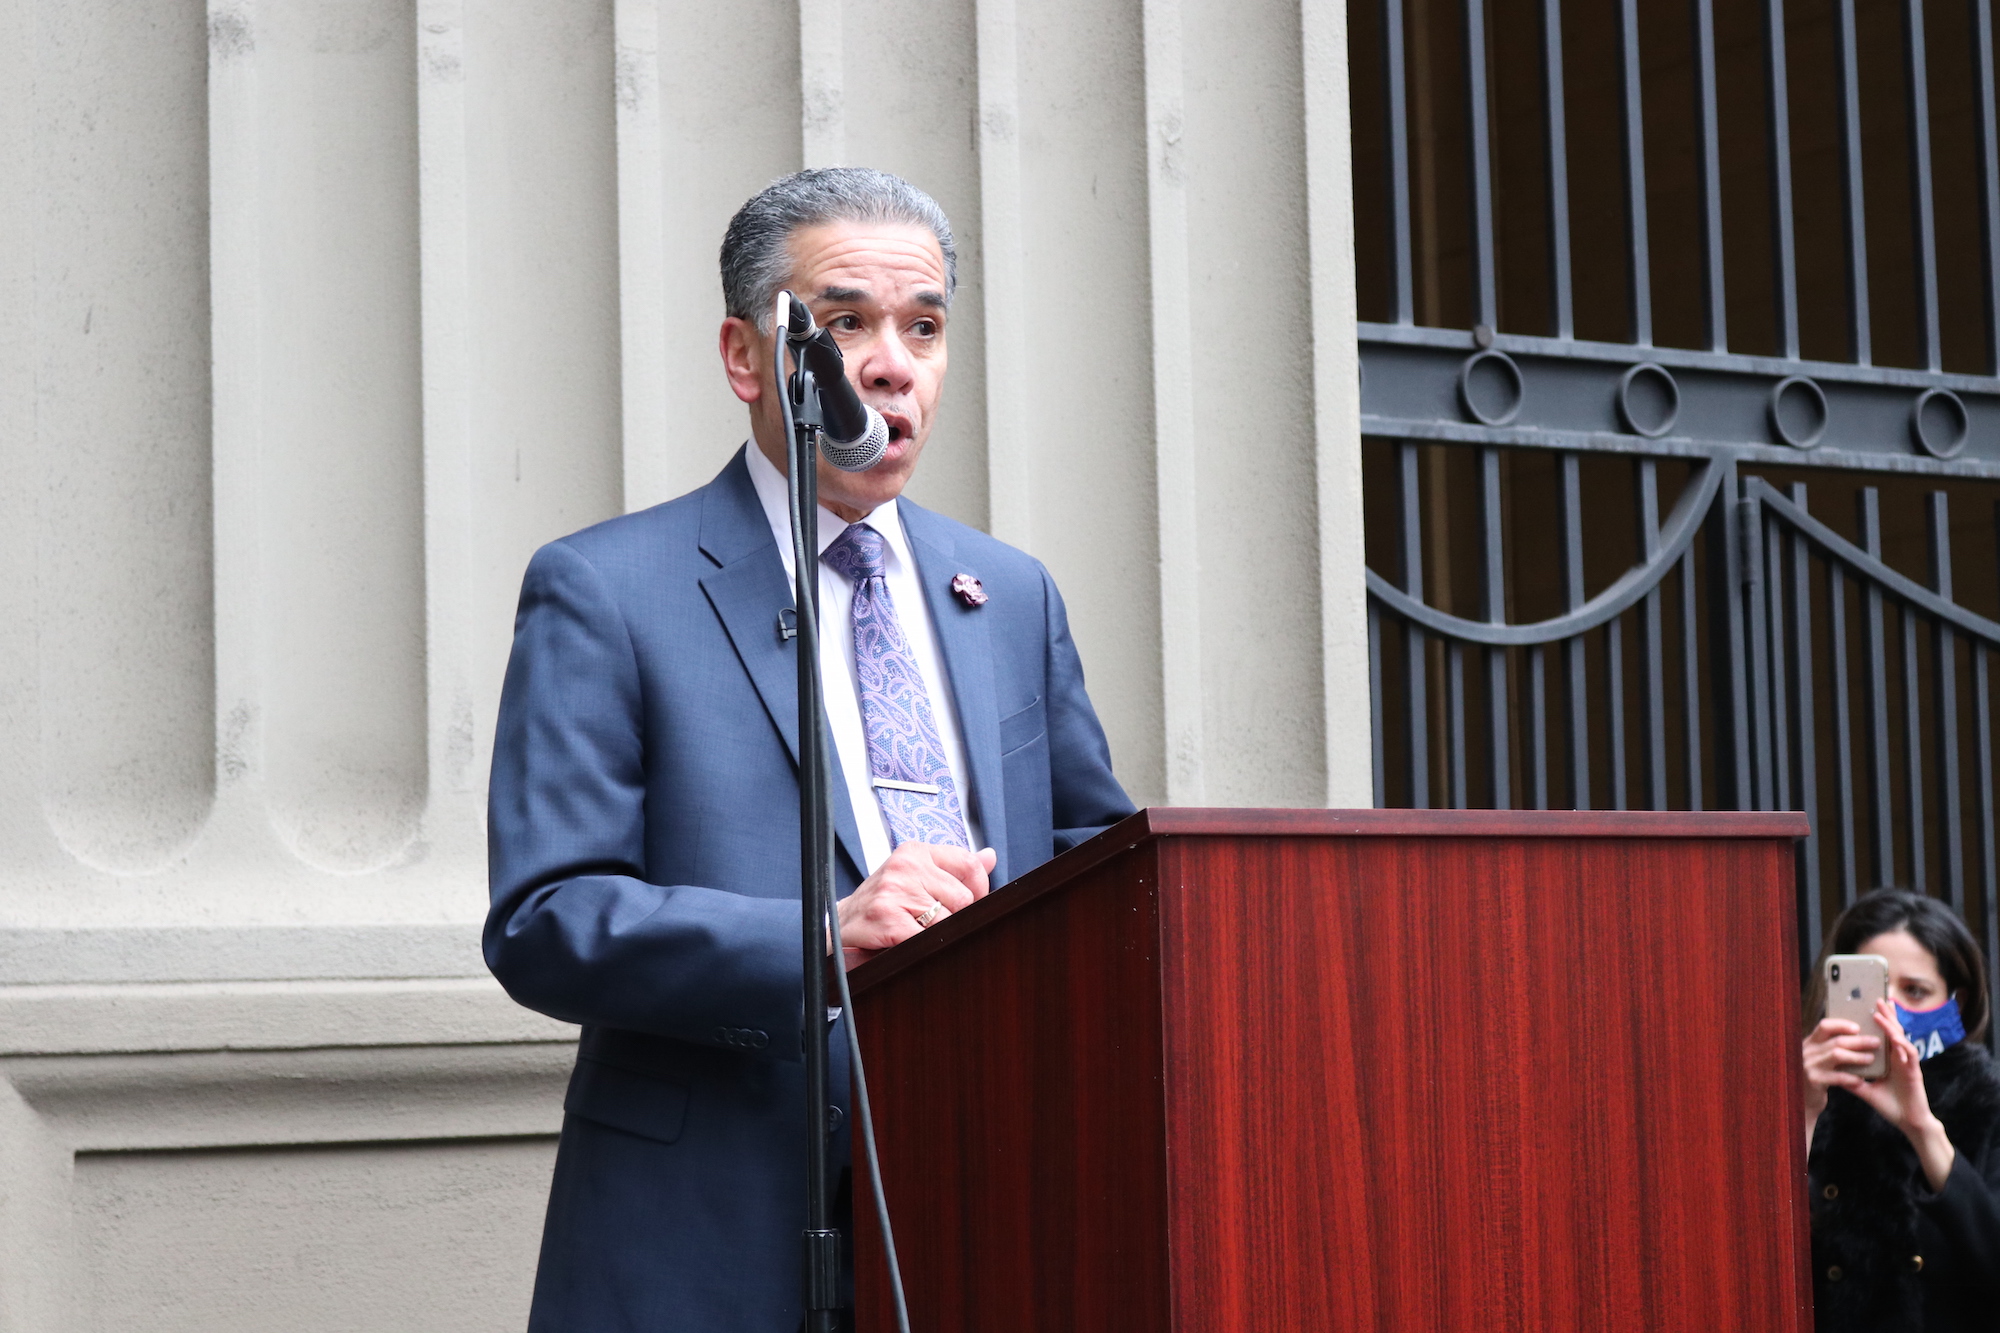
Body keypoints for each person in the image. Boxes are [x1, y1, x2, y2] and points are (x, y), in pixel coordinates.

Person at [483, 167, 1134, 1331]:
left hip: (992, 1219)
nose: (890, 363)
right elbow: (548, 918)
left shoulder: (1012, 594)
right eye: (844, 324)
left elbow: (1098, 866)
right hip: (712, 1237)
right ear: (748, 358)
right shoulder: (605, 590)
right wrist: (819, 939)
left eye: (922, 327)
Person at [1801, 888, 2000, 1332]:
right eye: (1868, 991)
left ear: (1956, 1002)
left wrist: (1924, 1130)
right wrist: (1803, 1112)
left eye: (1915, 991)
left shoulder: (1987, 1101)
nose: (1889, 1011)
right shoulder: (1802, 1094)